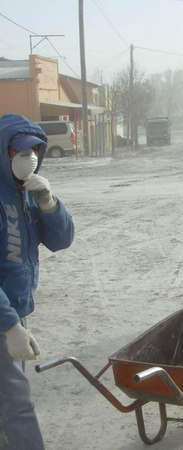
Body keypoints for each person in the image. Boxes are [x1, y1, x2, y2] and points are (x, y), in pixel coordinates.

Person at [0, 113, 75, 449]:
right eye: (19, 152)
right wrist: (10, 326)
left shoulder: (27, 191)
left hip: (15, 313)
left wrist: (49, 203)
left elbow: (61, 241)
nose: (28, 158)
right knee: (17, 405)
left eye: (34, 151)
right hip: (5, 319)